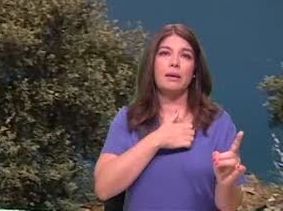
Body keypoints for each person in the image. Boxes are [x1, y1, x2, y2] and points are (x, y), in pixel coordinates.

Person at [95, 23, 246, 210]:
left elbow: (230, 206)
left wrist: (226, 183)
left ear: (194, 71)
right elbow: (103, 188)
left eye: (185, 55)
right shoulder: (128, 118)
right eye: (165, 53)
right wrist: (158, 139)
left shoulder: (219, 123)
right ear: (152, 64)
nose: (174, 62)